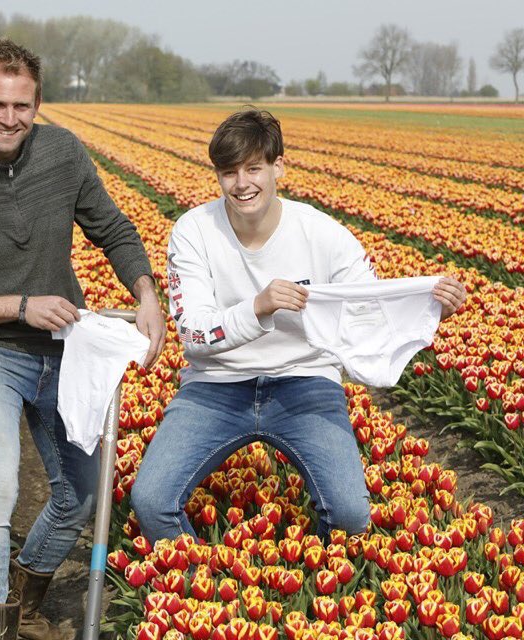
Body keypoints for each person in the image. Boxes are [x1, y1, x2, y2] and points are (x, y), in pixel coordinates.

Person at [0, 38, 165, 639]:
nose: (9, 118)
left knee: (82, 494)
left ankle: (25, 591)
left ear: (38, 105)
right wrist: (16, 306)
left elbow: (113, 228)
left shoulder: (62, 154)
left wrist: (146, 293)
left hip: (63, 348)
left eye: (22, 106)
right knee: (0, 482)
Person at [130, 108, 466, 546]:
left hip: (304, 381)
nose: (242, 183)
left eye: (254, 168)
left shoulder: (323, 234)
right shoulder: (194, 230)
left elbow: (368, 310)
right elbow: (192, 334)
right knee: (150, 500)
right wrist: (258, 308)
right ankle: (200, 581)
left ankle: (311, 572)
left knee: (350, 514)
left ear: (279, 167)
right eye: (229, 173)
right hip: (215, 386)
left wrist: (430, 310)